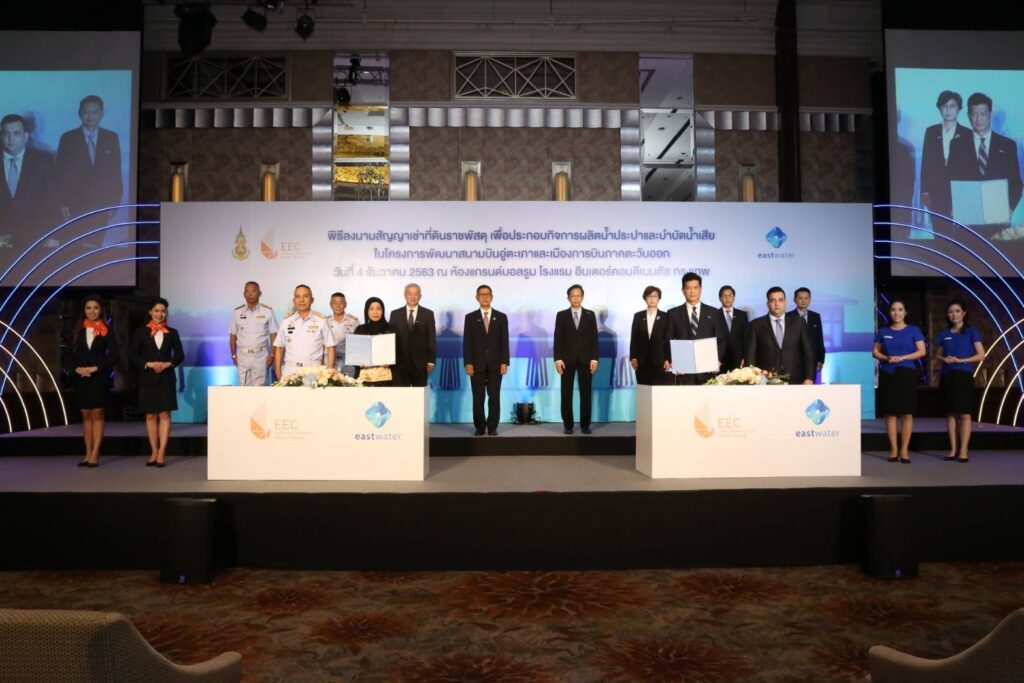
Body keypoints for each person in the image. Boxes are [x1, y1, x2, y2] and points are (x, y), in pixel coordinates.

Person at [130, 297, 185, 467]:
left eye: (163, 311)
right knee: (150, 415)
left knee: (165, 415)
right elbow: (133, 355)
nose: (160, 314)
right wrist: (148, 364)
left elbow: (180, 355)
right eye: (156, 311)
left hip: (166, 378)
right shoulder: (140, 332)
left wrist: (169, 363)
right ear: (150, 312)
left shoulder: (172, 332)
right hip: (147, 378)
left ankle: (162, 451)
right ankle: (153, 450)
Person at [65, 295, 118, 467]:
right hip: (81, 378)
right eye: (89, 308)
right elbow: (68, 355)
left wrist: (96, 368)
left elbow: (114, 356)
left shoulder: (107, 330)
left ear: (101, 310)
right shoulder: (77, 330)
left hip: (99, 377)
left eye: (96, 307)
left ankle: (95, 452)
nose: (92, 311)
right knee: (86, 415)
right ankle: (87, 452)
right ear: (84, 310)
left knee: (98, 413)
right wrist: (77, 369)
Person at [950, 92, 1023, 217]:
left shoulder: (1008, 145)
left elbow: (1016, 183)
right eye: (974, 114)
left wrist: (1010, 208)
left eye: (983, 114)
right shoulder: (957, 145)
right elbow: (950, 179)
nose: (978, 119)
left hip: (998, 215)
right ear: (968, 116)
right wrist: (953, 207)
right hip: (967, 216)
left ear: (991, 115)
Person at [872, 299, 926, 464]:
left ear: (905, 312)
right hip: (888, 374)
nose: (896, 313)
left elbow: (922, 351)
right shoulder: (883, 331)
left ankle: (904, 450)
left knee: (907, 413)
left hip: (907, 374)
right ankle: (894, 449)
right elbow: (875, 352)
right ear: (890, 312)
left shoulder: (913, 330)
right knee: (891, 413)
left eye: (900, 309)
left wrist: (903, 357)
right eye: (893, 310)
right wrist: (886, 358)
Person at [55, 95, 123, 223]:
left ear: (102, 113)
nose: (90, 116)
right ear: (79, 114)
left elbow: (116, 173)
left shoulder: (111, 138)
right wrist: (62, 203)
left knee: (98, 236)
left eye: (94, 112)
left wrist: (115, 202)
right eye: (86, 112)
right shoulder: (68, 138)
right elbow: (59, 173)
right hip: (74, 204)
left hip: (102, 204)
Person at [935, 299, 985, 463]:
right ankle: (953, 449)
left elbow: (981, 355)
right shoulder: (944, 333)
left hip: (963, 375)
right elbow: (937, 355)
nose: (954, 314)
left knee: (964, 414)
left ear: (963, 313)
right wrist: (944, 359)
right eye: (950, 311)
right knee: (950, 413)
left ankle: (963, 450)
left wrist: (961, 360)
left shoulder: (972, 332)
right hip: (947, 375)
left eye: (957, 311)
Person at [0, 114, 55, 261]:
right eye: (6, 133)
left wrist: (49, 235)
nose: (11, 138)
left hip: (33, 241)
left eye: (16, 133)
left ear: (25, 136)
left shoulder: (43, 161)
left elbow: (51, 201)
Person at [663, 272, 727, 385]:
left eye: (695, 288)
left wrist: (717, 360)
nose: (692, 291)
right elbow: (667, 340)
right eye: (688, 288)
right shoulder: (673, 314)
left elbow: (721, 340)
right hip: (683, 373)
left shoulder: (714, 312)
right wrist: (674, 361)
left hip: (708, 372)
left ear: (701, 289)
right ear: (683, 290)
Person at [463, 284, 510, 435]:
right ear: (476, 298)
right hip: (476, 364)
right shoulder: (470, 318)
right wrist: (468, 362)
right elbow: (467, 342)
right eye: (481, 294)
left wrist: (505, 361)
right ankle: (480, 427)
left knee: (494, 396)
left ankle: (492, 427)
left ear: (492, 297)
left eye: (487, 294)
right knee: (478, 397)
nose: (484, 297)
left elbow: (504, 341)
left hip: (496, 364)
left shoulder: (501, 317)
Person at [919, 90, 973, 219]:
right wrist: (925, 191)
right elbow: (925, 163)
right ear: (939, 108)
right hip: (935, 192)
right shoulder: (931, 131)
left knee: (959, 229)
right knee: (938, 227)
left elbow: (970, 168)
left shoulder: (967, 134)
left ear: (959, 109)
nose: (948, 110)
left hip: (959, 192)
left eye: (952, 106)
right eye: (944, 106)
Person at [746, 286, 815, 385]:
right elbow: (750, 356)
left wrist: (809, 377)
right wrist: (751, 379)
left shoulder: (799, 323)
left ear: (785, 302)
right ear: (767, 303)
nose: (777, 304)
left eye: (780, 300)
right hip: (766, 380)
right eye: (772, 300)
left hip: (796, 378)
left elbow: (808, 352)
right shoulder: (755, 325)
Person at [553, 284, 598, 434]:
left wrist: (595, 359)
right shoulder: (561, 315)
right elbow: (558, 338)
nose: (576, 298)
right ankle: (568, 425)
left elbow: (594, 338)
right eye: (573, 296)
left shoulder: (590, 315)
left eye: (579, 295)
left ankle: (585, 425)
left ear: (582, 297)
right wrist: (557, 359)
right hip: (566, 360)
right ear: (568, 298)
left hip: (586, 360)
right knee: (566, 393)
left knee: (586, 393)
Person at [273, 284, 335, 380]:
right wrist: (278, 373)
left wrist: (329, 372)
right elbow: (279, 348)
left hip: (314, 372)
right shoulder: (286, 321)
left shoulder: (321, 320)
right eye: (297, 297)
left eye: (305, 296)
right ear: (294, 301)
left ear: (312, 300)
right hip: (290, 372)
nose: (301, 300)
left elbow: (330, 347)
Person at [228, 281, 278, 386]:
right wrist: (233, 355)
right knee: (244, 387)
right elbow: (233, 336)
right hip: (242, 356)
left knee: (260, 388)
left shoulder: (267, 311)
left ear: (259, 293)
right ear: (244, 294)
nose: (250, 294)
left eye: (253, 291)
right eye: (247, 291)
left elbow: (274, 335)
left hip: (261, 356)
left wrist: (272, 354)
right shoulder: (237, 312)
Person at [389, 283, 436, 387]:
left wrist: (431, 360)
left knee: (419, 394)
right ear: (405, 295)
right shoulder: (395, 314)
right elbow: (391, 339)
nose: (413, 297)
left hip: (420, 364)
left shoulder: (428, 314)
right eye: (410, 294)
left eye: (416, 294)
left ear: (420, 296)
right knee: (401, 394)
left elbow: (431, 338)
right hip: (400, 364)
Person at [629, 285, 669, 385]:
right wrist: (633, 357)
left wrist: (669, 358)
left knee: (659, 391)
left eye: (655, 296)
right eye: (649, 296)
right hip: (641, 361)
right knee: (643, 389)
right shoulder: (638, 316)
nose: (652, 299)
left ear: (659, 298)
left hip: (660, 360)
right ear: (645, 298)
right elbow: (634, 338)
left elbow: (668, 339)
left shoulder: (666, 316)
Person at [354, 296, 394, 386]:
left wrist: (391, 361)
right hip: (363, 379)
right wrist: (359, 362)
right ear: (366, 311)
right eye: (371, 309)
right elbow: (354, 354)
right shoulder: (360, 329)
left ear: (383, 311)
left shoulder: (391, 329)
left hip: (387, 379)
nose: (375, 312)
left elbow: (400, 352)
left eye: (378, 309)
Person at [790, 287, 826, 381]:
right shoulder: (788, 316)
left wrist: (821, 359)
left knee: (810, 387)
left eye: (806, 298)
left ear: (810, 300)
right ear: (794, 300)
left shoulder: (815, 316)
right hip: (793, 362)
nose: (803, 301)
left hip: (812, 361)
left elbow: (819, 339)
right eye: (800, 298)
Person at [717, 284, 748, 373]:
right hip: (720, 361)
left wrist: (745, 357)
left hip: (739, 360)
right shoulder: (714, 315)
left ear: (734, 298)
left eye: (730, 295)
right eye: (724, 296)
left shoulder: (742, 315)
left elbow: (746, 338)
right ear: (720, 298)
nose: (727, 298)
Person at [327, 291, 359, 377]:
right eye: (335, 303)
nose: (338, 306)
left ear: (345, 304)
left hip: (348, 363)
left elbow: (358, 344)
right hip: (330, 362)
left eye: (341, 303)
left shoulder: (354, 321)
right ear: (330, 305)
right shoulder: (325, 321)